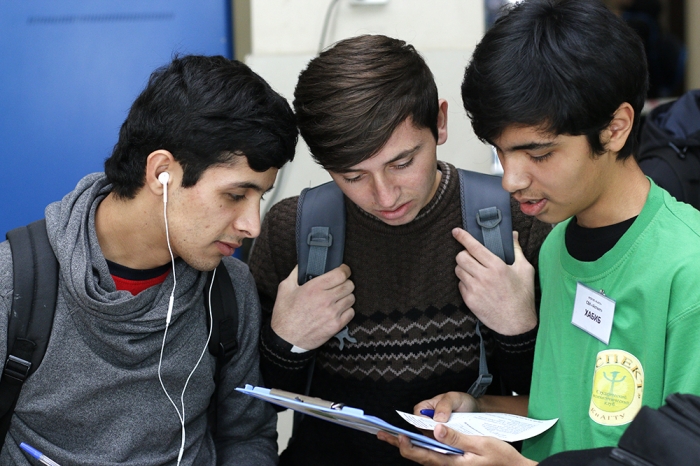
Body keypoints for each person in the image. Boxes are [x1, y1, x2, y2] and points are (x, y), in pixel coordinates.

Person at [378, 0, 700, 464]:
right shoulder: (555, 245)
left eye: (539, 154)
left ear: (615, 128)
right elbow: (573, 414)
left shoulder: (687, 271)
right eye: (501, 152)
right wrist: (478, 409)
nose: (511, 180)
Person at [247, 34, 552, 466]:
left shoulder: (518, 221)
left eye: (402, 163)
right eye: (353, 176)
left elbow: (559, 401)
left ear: (440, 123)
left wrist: (518, 331)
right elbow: (248, 410)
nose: (385, 196)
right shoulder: (292, 230)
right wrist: (286, 344)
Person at [0, 55, 298, 465]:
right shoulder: (14, 284)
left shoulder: (229, 289)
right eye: (235, 195)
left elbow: (247, 437)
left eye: (259, 197)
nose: (252, 225)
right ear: (162, 173)